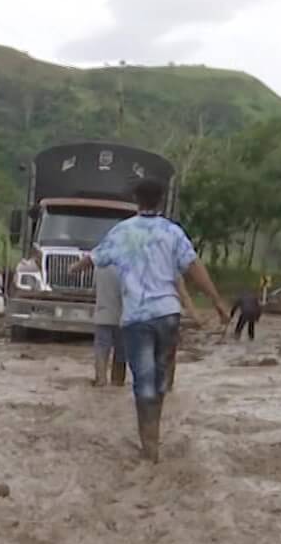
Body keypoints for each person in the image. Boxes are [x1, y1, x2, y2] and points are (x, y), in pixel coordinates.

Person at [83, 177, 228, 462]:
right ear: (161, 201)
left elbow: (94, 257)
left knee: (143, 383)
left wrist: (76, 267)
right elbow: (194, 268)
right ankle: (156, 437)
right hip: (167, 315)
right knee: (160, 380)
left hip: (137, 317)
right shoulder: (173, 232)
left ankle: (149, 448)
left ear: (137, 200)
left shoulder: (122, 232)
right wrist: (217, 302)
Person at [92, 264, 128, 388]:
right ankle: (117, 382)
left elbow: (95, 288)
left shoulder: (100, 266)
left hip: (103, 314)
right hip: (122, 316)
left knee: (101, 348)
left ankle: (101, 380)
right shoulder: (127, 265)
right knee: (121, 350)